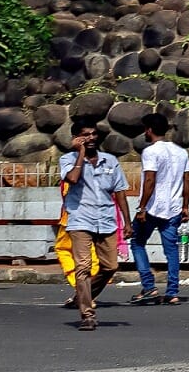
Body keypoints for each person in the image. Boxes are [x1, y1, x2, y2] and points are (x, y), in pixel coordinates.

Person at [57, 119, 131, 331]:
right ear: (76, 138)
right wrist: (80, 153)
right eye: (85, 135)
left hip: (106, 220)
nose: (90, 138)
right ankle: (87, 315)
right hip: (80, 219)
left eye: (93, 134)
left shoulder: (110, 161)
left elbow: (120, 193)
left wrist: (127, 222)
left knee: (110, 266)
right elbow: (72, 178)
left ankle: (82, 296)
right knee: (83, 267)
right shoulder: (67, 159)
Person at [130, 113, 189, 305]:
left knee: (137, 243)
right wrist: (186, 206)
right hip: (173, 208)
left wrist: (141, 207)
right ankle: (172, 292)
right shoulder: (181, 152)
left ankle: (149, 286)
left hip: (152, 208)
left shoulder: (151, 152)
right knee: (171, 250)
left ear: (149, 130)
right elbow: (187, 181)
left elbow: (150, 180)